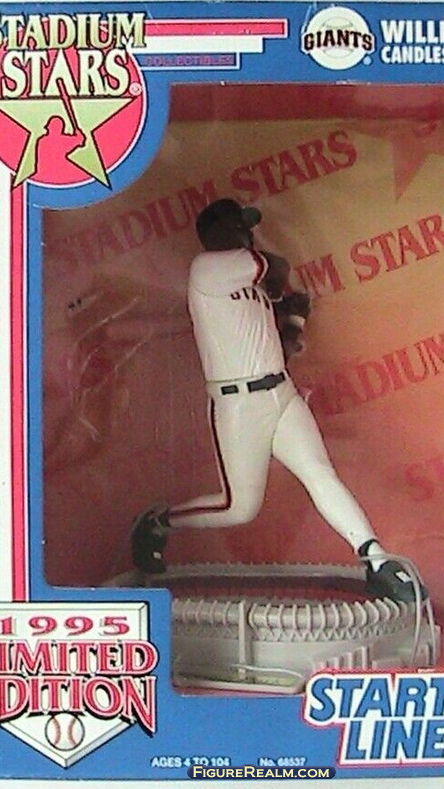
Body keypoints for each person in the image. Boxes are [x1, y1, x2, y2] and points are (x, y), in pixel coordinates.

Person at [131, 198, 426, 602]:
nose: (246, 233)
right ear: (215, 232)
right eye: (238, 226)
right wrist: (281, 291)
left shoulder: (251, 289)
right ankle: (157, 522)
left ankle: (376, 560)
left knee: (320, 473)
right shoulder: (208, 268)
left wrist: (294, 318)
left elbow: (278, 348)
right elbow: (278, 266)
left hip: (281, 393)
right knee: (238, 508)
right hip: (239, 405)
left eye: (246, 228)